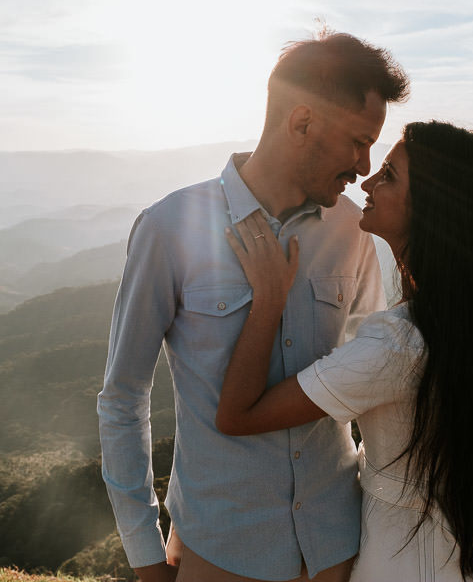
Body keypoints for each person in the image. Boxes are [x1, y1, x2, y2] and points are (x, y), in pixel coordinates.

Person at [98, 32, 410, 582]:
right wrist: (146, 557)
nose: (364, 167)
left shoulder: (351, 231)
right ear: (302, 122)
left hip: (337, 545)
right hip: (222, 548)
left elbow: (371, 371)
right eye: (358, 141)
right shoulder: (169, 226)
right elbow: (124, 397)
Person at [217, 121, 473, 580]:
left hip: (411, 564)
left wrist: (270, 299)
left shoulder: (400, 344)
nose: (367, 181)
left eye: (389, 174)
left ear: (433, 209)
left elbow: (238, 415)